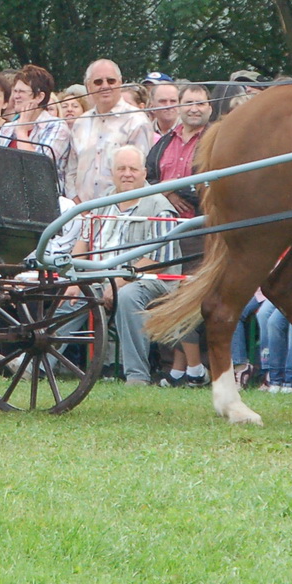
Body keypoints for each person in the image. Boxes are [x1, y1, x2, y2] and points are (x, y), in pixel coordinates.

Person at [142, 82, 212, 384]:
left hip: (201, 229)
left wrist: (177, 191)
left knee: (188, 296)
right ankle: (179, 369)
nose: (194, 108)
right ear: (179, 107)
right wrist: (169, 194)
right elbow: (150, 176)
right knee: (171, 295)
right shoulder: (164, 141)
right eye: (189, 103)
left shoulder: (214, 140)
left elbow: (211, 184)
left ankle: (193, 369)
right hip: (164, 229)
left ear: (210, 108)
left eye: (201, 103)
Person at [102, 147, 187, 385]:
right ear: (112, 172)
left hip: (152, 282)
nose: (127, 174)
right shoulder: (105, 201)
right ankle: (41, 357)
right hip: (107, 277)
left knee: (128, 296)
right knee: (71, 292)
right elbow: (86, 241)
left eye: (133, 169)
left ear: (144, 172)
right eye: (121, 169)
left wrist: (117, 283)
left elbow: (159, 260)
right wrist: (77, 278)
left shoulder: (159, 205)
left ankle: (137, 376)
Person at [67, 59, 156, 203]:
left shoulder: (137, 121)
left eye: (111, 81)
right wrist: (77, 205)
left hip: (119, 213)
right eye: (98, 82)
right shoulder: (80, 123)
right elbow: (71, 171)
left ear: (120, 83)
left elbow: (138, 175)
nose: (105, 86)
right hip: (81, 213)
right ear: (88, 87)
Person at [0, 65, 73, 194]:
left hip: (42, 201)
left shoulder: (56, 127)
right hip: (4, 199)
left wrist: (21, 132)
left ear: (39, 97)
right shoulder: (7, 128)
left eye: (21, 92)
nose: (16, 96)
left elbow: (37, 168)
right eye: (15, 91)